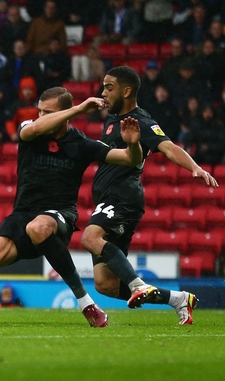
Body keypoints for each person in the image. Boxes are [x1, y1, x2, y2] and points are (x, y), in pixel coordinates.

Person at [0, 87, 144, 327]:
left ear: (63, 115)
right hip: (22, 214)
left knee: (38, 227)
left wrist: (133, 145)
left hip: (59, 215)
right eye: (40, 111)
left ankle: (87, 304)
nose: (41, 116)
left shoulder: (81, 144)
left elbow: (129, 159)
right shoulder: (29, 129)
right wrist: (80, 108)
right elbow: (37, 128)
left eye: (48, 112)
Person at [81, 66, 217, 325]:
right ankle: (178, 299)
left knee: (90, 237)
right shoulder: (112, 119)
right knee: (105, 284)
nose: (103, 92)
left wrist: (195, 167)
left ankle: (137, 284)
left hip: (122, 197)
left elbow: (167, 146)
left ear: (127, 90)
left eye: (109, 87)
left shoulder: (140, 120)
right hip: (108, 198)